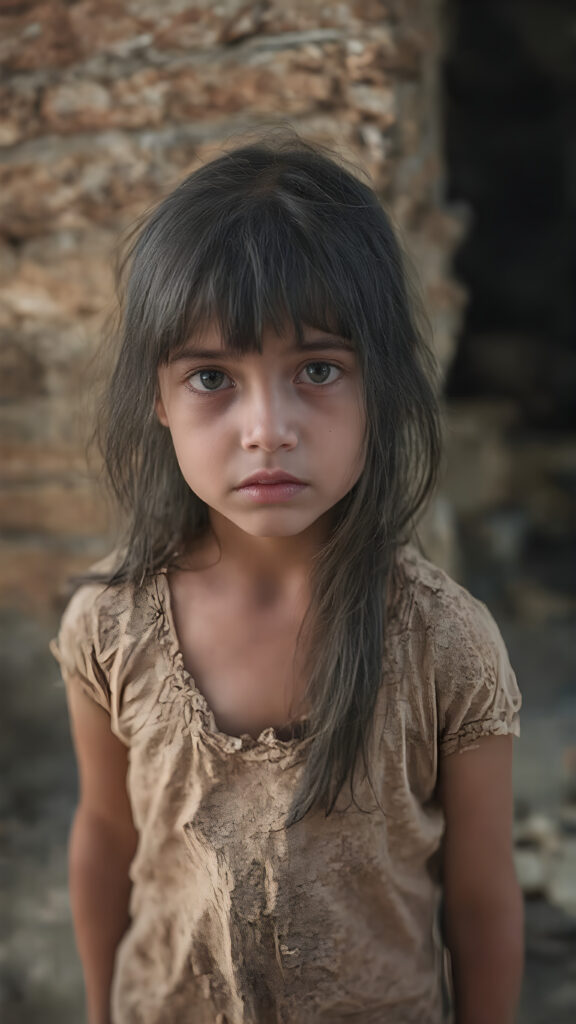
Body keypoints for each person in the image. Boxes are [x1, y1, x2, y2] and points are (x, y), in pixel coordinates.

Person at [50, 134, 524, 1024]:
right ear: (157, 398)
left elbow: (482, 901)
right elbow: (107, 838)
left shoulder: (445, 645)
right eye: (212, 377)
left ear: (380, 384)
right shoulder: (110, 628)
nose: (268, 428)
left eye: (318, 370)